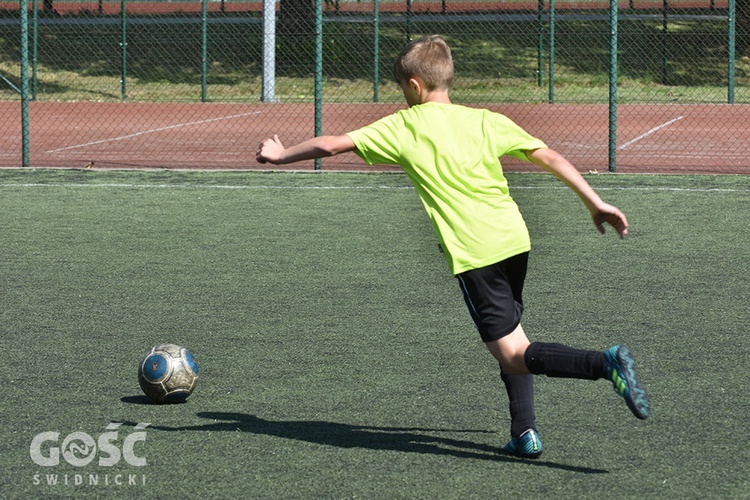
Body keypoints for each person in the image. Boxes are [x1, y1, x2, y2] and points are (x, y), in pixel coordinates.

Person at [256, 34, 650, 459]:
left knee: (515, 354)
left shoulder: (404, 125)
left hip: (474, 253)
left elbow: (331, 144)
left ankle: (605, 364)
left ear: (413, 86)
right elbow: (550, 156)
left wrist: (280, 154)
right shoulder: (485, 119)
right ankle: (524, 432)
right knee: (512, 334)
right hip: (514, 240)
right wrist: (595, 202)